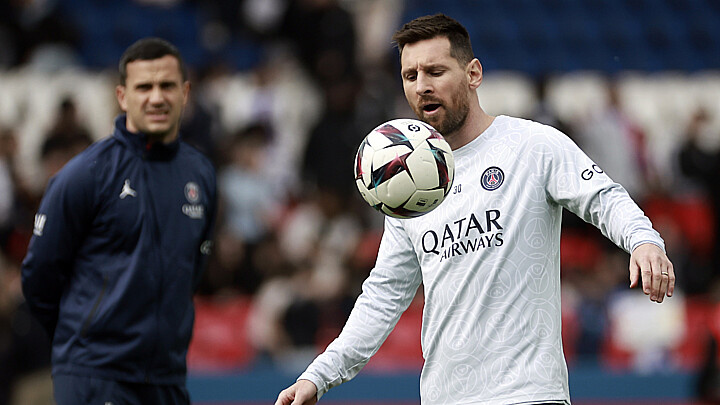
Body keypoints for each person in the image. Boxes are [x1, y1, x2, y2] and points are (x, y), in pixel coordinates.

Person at [275, 14, 674, 405]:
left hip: (528, 394)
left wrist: (643, 241)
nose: (422, 87)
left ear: (473, 74)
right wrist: (319, 376)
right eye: (410, 76)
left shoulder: (531, 145)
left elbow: (603, 197)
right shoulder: (405, 184)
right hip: (446, 398)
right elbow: (382, 297)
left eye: (435, 71)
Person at [21, 37, 217, 405]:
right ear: (122, 96)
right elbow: (39, 277)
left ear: (185, 92)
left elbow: (192, 269)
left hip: (167, 378)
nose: (156, 98)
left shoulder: (201, 174)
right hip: (96, 377)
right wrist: (84, 341)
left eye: (167, 86)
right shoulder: (84, 175)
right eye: (144, 87)